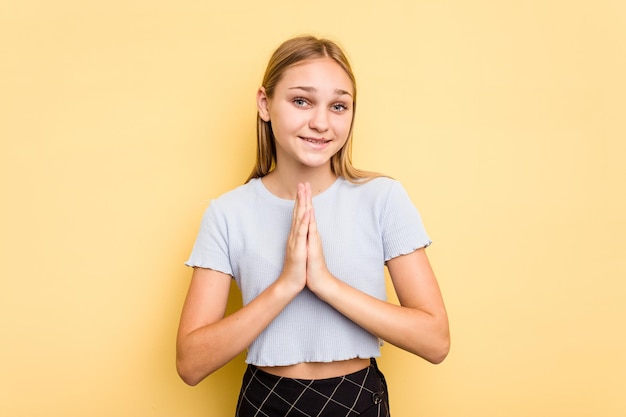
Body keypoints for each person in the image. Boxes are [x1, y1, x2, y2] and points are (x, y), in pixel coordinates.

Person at [176, 35, 450, 417]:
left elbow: (435, 341)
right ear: (265, 103)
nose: (320, 123)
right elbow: (190, 364)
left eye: (338, 106)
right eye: (301, 100)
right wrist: (286, 286)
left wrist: (325, 284)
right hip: (263, 402)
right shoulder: (227, 213)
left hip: (355, 400)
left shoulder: (382, 198)